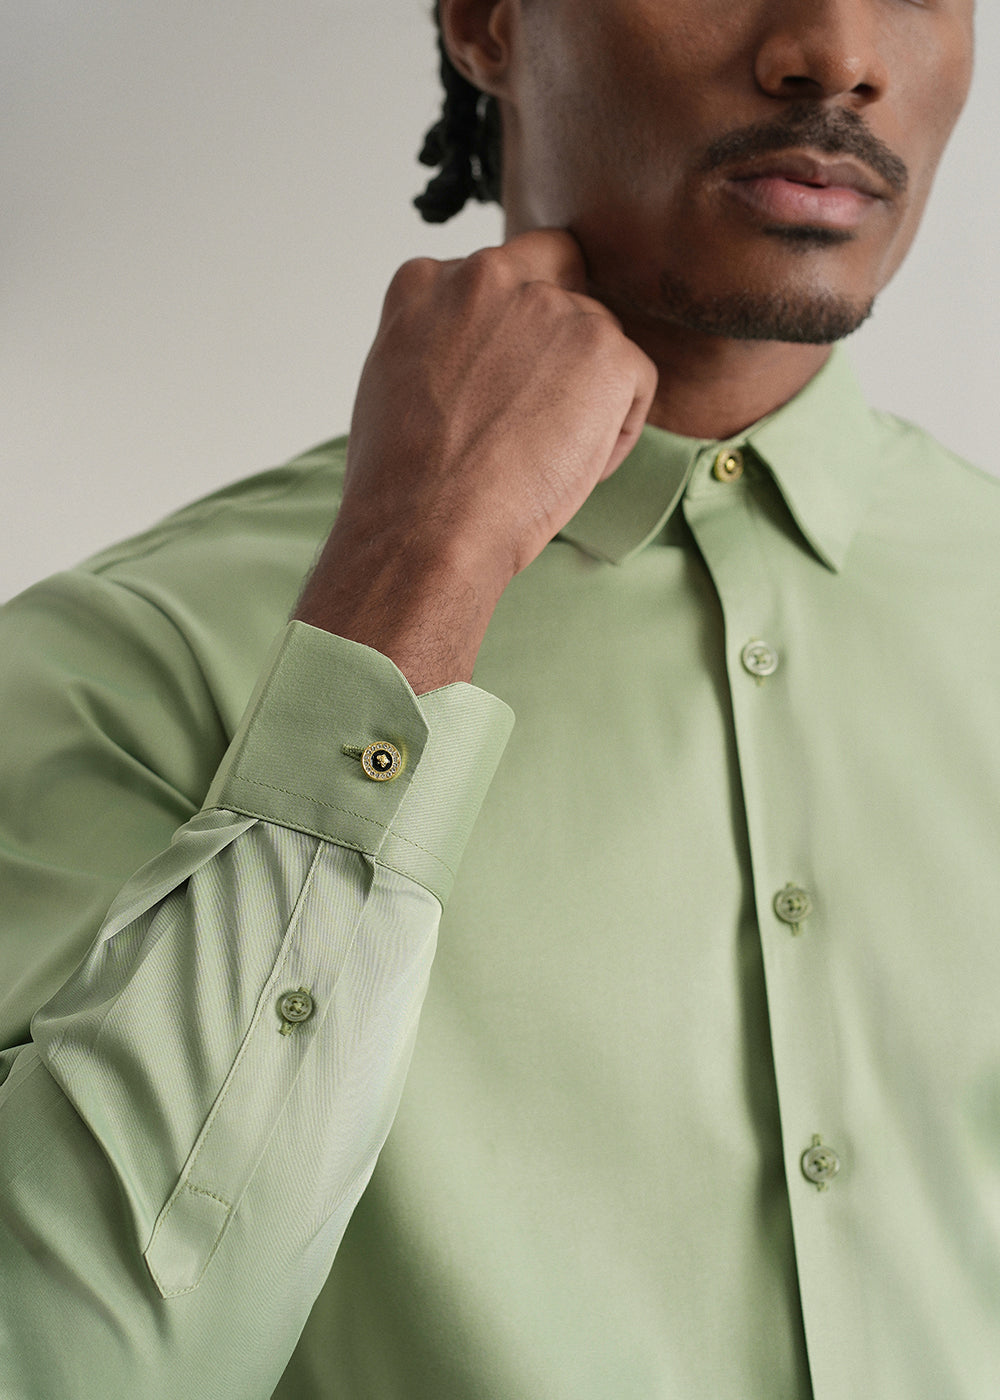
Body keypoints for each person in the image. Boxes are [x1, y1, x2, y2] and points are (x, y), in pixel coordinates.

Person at [1, 1, 996, 1396]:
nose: (837, 49)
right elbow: (66, 1364)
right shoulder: (124, 668)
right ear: (484, 20)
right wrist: (419, 577)